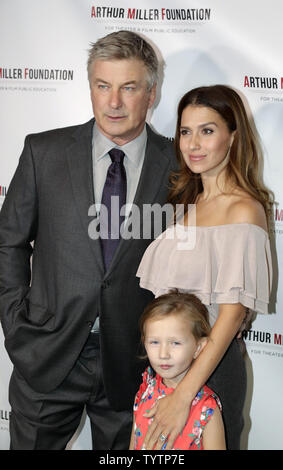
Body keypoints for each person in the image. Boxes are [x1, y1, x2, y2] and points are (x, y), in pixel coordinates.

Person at [0, 30, 176, 450]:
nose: (113, 102)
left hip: (134, 361)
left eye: (128, 88)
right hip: (47, 353)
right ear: (91, 88)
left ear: (150, 94)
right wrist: (15, 322)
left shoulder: (178, 164)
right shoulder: (44, 152)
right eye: (103, 86)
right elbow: (8, 242)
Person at [137, 84, 273, 450]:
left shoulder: (244, 210)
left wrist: (183, 396)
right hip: (166, 370)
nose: (193, 143)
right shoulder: (188, 203)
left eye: (207, 130)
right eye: (185, 131)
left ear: (233, 136)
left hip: (209, 373)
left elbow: (230, 317)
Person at [129, 291, 226, 450]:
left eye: (175, 343)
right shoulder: (145, 392)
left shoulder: (207, 409)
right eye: (154, 342)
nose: (163, 354)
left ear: (198, 347)